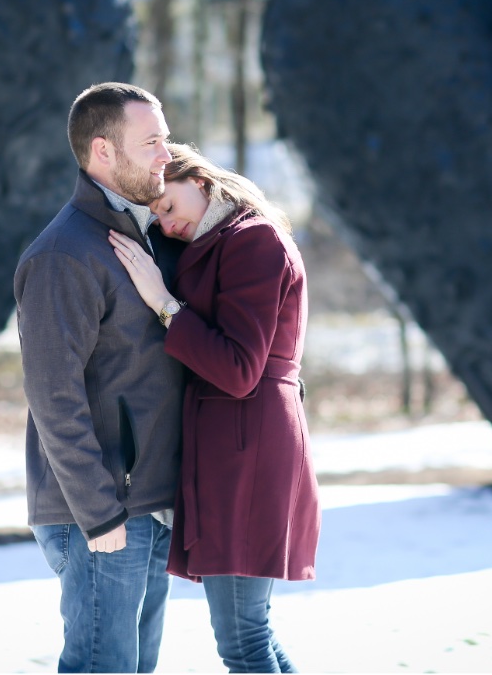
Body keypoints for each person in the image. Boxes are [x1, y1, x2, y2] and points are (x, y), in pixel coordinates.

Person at [108, 143, 320, 674]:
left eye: (168, 207)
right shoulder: (223, 240)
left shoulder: (254, 242)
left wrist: (163, 303)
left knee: (243, 642)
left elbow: (237, 368)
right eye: (155, 214)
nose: (166, 222)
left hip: (247, 447)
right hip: (236, 442)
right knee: (253, 635)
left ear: (199, 183)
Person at [13, 82, 187, 673]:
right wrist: (99, 512)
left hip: (150, 504)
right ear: (103, 151)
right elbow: (52, 395)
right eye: (153, 141)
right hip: (103, 516)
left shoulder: (145, 237)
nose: (168, 152)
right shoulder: (64, 254)